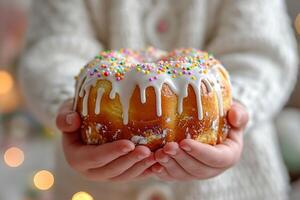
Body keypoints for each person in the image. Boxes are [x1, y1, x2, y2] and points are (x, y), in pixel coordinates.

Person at [19, 0, 298, 199]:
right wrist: (71, 106)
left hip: (235, 186)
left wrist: (233, 107)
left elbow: (262, 51)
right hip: (96, 187)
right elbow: (54, 49)